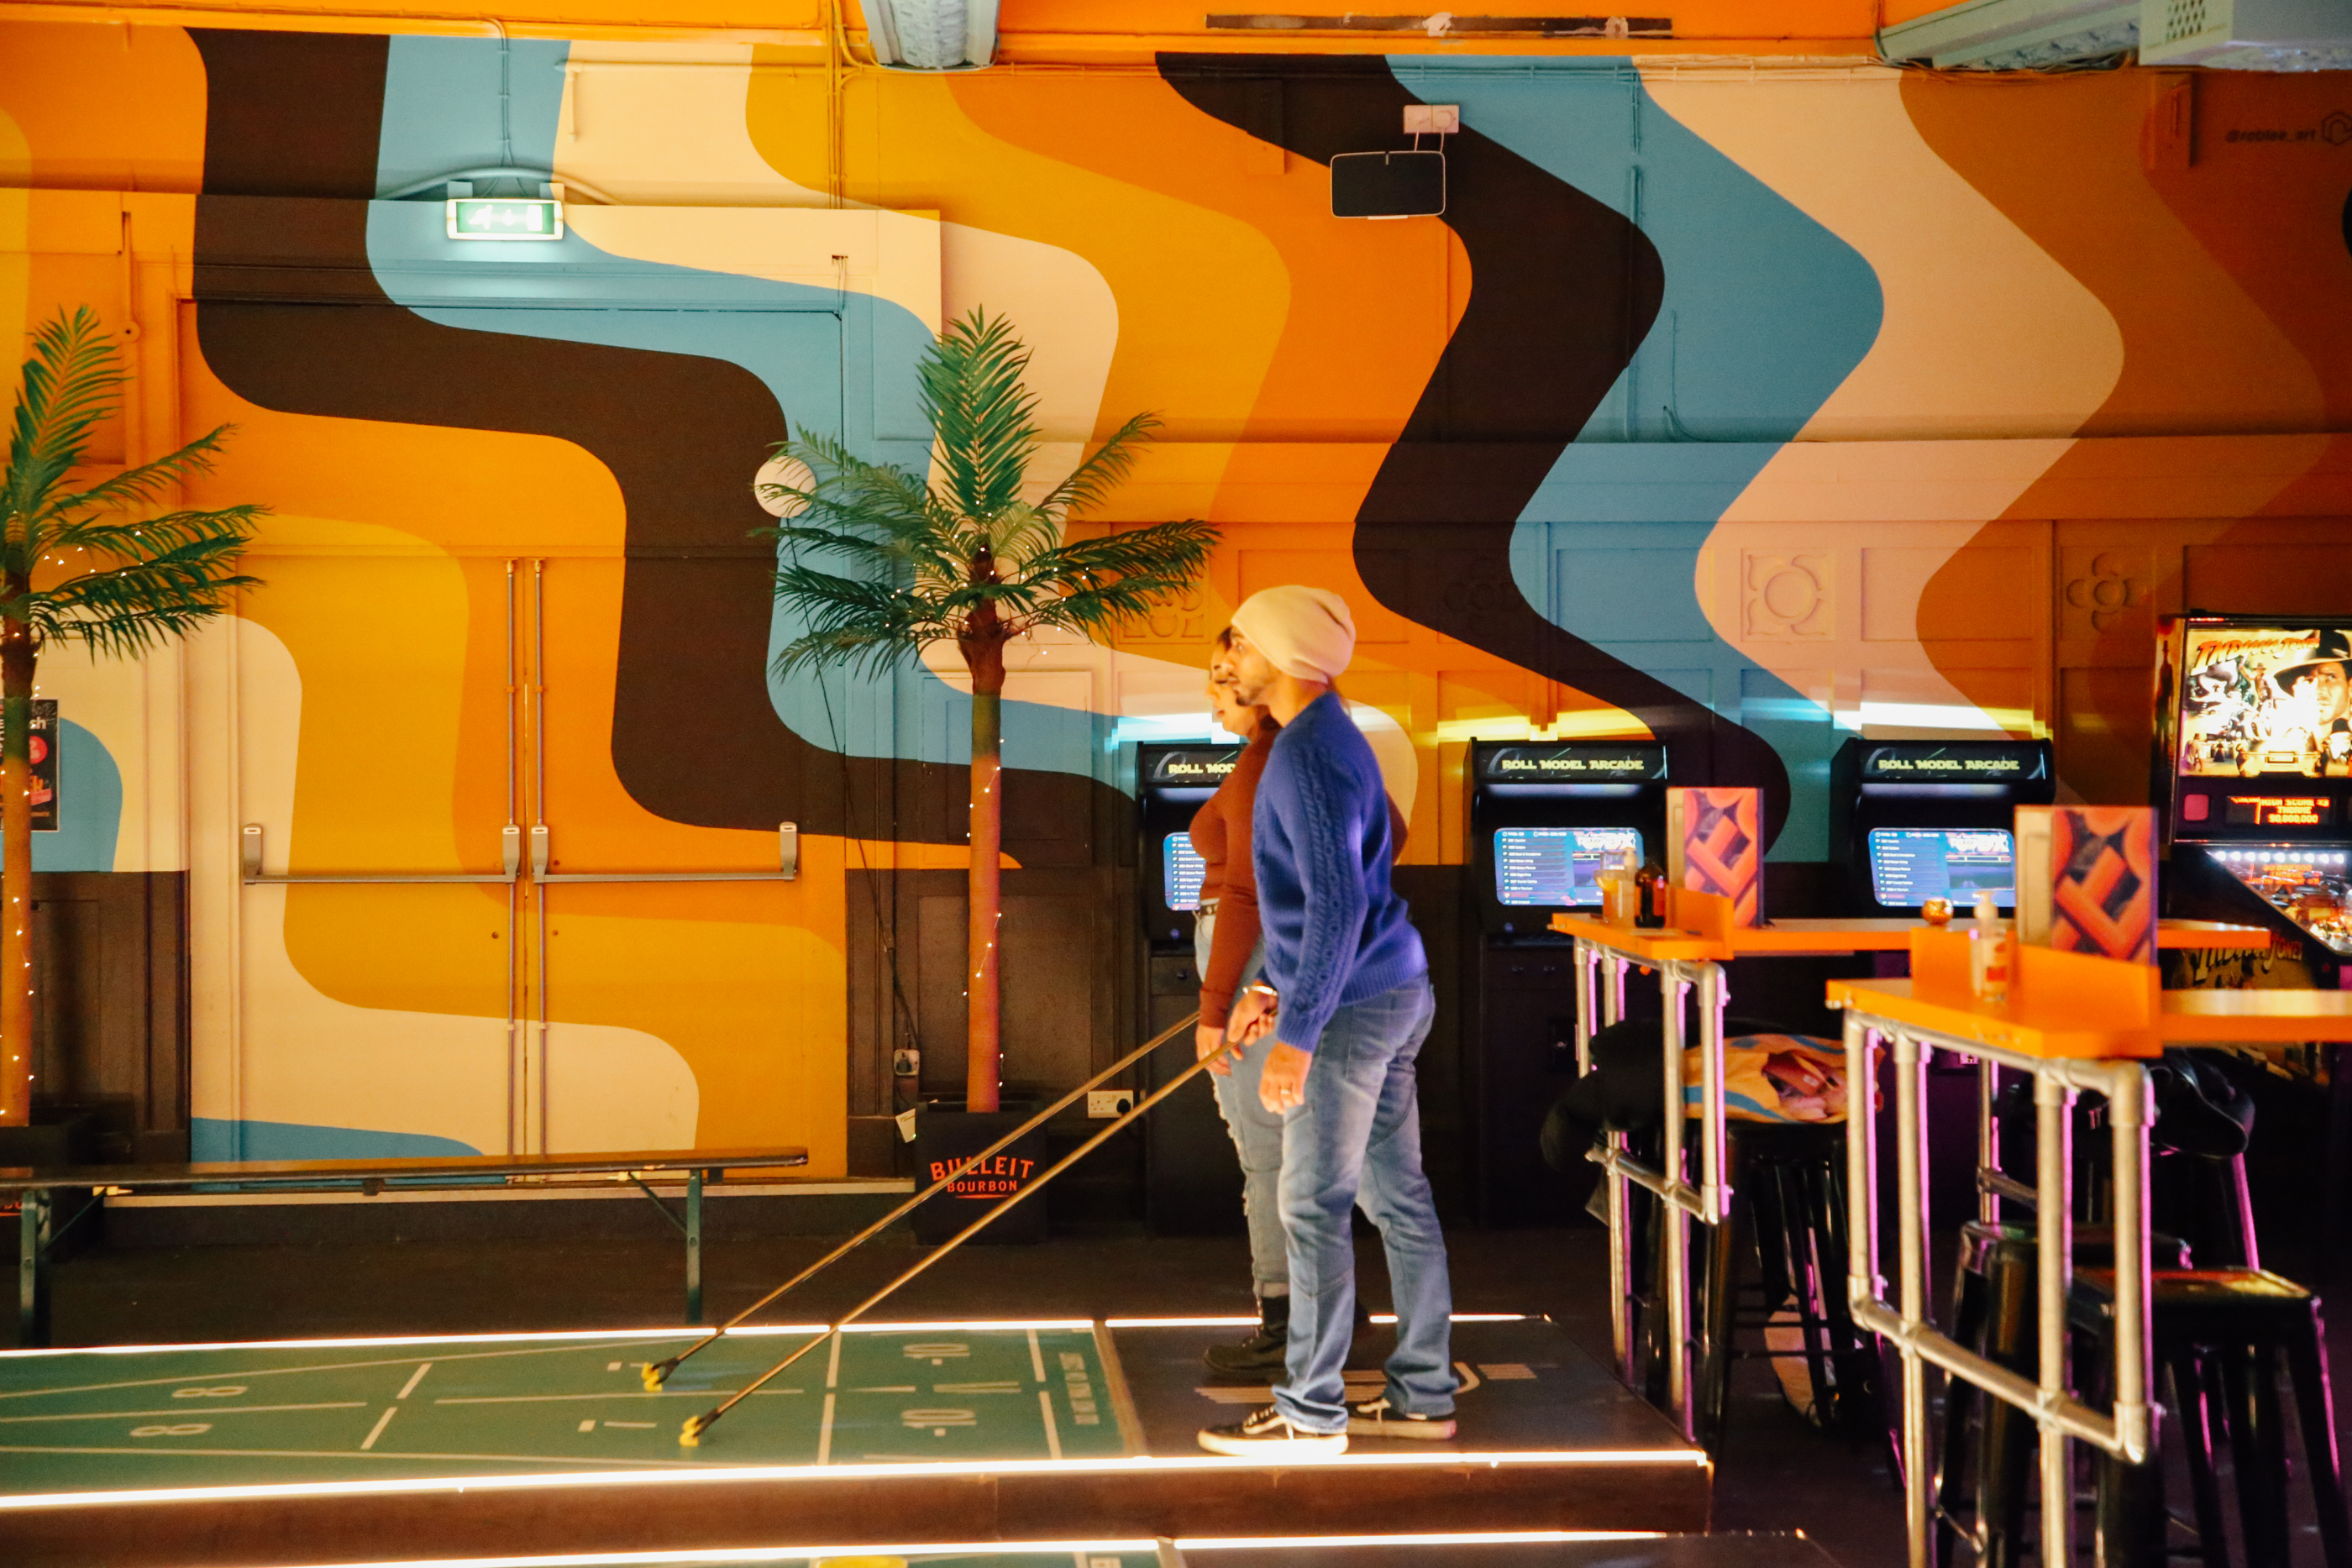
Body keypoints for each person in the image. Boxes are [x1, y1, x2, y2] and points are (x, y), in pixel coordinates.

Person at [1195, 585, 1457, 1458]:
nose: (1228, 659)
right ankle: (1423, 1391)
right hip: (1385, 985)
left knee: (1311, 1203)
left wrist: (1297, 1035)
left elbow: (1340, 900)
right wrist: (1273, 981)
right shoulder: (1331, 735)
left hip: (1348, 1007)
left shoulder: (1305, 753)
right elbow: (1330, 898)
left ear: (1282, 654)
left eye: (1241, 644)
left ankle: (1310, 1413)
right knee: (1397, 1197)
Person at [1192, 632, 1411, 1379]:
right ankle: (1322, 1316)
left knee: (1269, 1152)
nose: (1215, 692)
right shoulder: (1308, 753)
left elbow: (1248, 897)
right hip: (1270, 963)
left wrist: (1215, 1007)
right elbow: (1391, 833)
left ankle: (1290, 1323)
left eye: (1223, 676)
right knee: (1309, 1153)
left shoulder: (1272, 761)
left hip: (1249, 959)